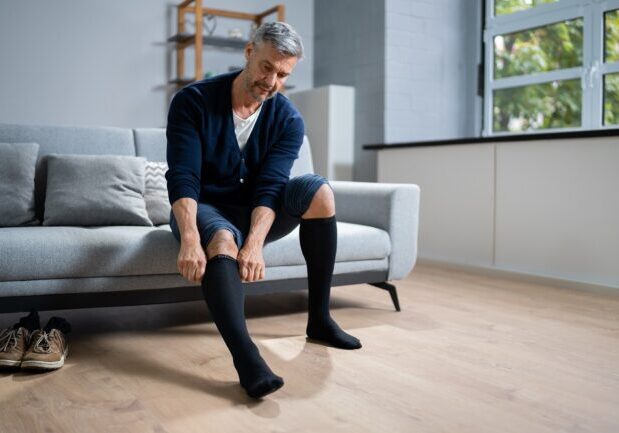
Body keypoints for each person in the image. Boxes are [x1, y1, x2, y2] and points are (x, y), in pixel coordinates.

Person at [166, 21, 361, 400]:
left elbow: (271, 188)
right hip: (205, 208)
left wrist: (254, 243)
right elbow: (184, 177)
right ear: (249, 52)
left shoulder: (288, 119)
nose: (271, 81)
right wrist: (189, 237)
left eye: (283, 74)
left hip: (257, 210)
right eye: (267, 67)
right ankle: (247, 359)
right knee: (222, 239)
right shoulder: (193, 101)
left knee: (320, 191)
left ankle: (319, 319)